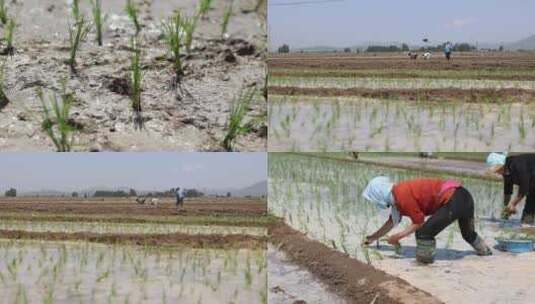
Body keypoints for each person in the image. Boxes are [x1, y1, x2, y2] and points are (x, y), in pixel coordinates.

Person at [362, 176, 492, 264]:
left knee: (423, 233)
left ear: (379, 195)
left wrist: (397, 237)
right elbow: (391, 222)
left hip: (453, 199)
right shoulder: (397, 195)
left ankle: (425, 264)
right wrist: (372, 238)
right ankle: (487, 254)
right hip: (464, 196)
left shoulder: (401, 195)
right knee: (468, 234)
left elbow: (419, 222)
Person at [487, 153, 535, 224]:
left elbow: (524, 187)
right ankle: (528, 227)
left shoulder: (518, 165)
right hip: (533, 185)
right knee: (527, 218)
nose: (496, 173)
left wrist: (513, 204)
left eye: (496, 170)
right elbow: (507, 191)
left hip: (531, 182)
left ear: (501, 165)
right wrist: (506, 209)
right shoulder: (506, 171)